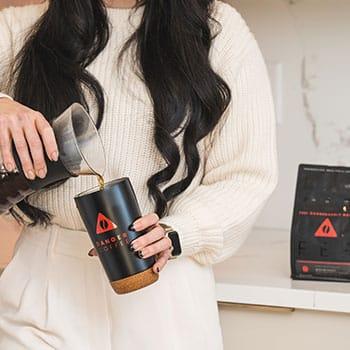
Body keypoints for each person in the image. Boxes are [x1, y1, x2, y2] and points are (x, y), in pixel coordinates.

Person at [0, 0, 279, 349]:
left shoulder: (217, 28)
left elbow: (246, 175)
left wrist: (177, 233)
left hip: (164, 287)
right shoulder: (17, 27)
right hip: (43, 286)